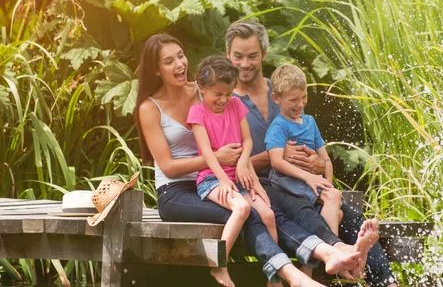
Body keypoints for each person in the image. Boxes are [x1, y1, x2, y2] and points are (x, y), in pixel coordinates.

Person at [134, 34, 364, 287]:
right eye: (169, 61)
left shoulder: (207, 89)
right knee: (248, 213)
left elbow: (236, 127)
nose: (179, 64)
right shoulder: (150, 107)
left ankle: (328, 252)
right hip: (177, 191)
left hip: (224, 179)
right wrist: (218, 159)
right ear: (156, 69)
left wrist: (245, 165)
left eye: (180, 56)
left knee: (272, 209)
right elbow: (167, 166)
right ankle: (291, 276)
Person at [225, 20, 397, 286]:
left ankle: (386, 282)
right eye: (238, 56)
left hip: (298, 183)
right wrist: (276, 156)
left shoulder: (284, 90)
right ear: (228, 55)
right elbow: (229, 160)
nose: (245, 64)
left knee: (348, 213)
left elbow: (311, 143)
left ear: (264, 55)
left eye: (252, 56)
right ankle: (336, 255)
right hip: (262, 189)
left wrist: (317, 164)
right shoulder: (225, 102)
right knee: (306, 212)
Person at [187, 55, 277, 286]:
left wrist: (240, 164)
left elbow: (247, 141)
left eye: (228, 93)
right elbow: (207, 153)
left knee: (267, 214)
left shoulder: (236, 104)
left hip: (237, 175)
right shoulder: (198, 113)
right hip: (211, 179)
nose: (224, 100)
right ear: (202, 88)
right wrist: (223, 180)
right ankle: (218, 264)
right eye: (218, 94)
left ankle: (274, 276)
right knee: (242, 207)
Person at [266, 64, 343, 235]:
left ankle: (314, 261)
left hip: (309, 181)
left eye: (304, 97)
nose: (300, 104)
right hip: (288, 182)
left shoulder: (310, 122)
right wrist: (309, 177)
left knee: (337, 210)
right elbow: (276, 161)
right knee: (334, 197)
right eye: (293, 100)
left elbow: (326, 160)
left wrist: (327, 184)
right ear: (276, 98)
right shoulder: (279, 126)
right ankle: (334, 250)